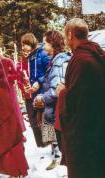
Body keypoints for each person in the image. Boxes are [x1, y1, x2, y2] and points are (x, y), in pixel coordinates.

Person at [59, 18, 105, 178]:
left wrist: (62, 92)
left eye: (65, 36)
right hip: (99, 128)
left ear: (70, 35)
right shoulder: (97, 52)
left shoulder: (81, 61)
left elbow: (77, 103)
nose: (65, 40)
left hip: (86, 136)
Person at [33, 30, 71, 170]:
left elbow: (57, 89)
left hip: (56, 110)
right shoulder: (54, 60)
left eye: (45, 43)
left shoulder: (58, 62)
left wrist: (42, 97)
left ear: (53, 44)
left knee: (56, 136)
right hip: (52, 110)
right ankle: (56, 156)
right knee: (50, 133)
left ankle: (58, 159)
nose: (43, 46)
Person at [17, 33, 50, 147]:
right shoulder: (30, 56)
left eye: (24, 45)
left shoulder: (43, 54)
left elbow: (50, 70)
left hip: (43, 92)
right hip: (32, 93)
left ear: (30, 43)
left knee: (46, 120)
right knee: (34, 122)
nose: (22, 48)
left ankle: (51, 148)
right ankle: (41, 146)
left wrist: (39, 82)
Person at [0, 48, 26, 132]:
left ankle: (19, 131)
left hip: (10, 88)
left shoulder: (8, 61)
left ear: (3, 51)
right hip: (0, 88)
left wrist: (6, 77)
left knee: (14, 108)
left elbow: (15, 75)